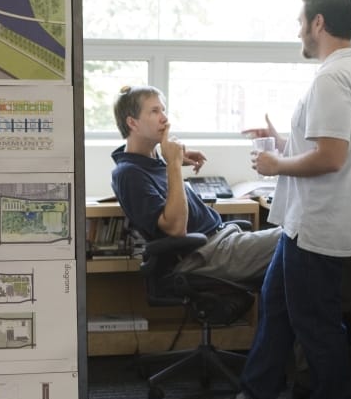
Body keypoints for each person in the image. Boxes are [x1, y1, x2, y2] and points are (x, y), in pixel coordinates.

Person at [208, 0, 351, 399]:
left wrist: (275, 165)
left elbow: (331, 157)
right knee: (276, 306)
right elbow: (327, 145)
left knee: (317, 327)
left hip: (317, 225)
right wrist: (283, 141)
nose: (299, 31)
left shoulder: (331, 79)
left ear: (318, 23)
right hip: (309, 223)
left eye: (301, 22)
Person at [110, 85, 280, 287]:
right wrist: (173, 164)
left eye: (163, 110)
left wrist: (174, 161)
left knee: (294, 240)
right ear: (132, 122)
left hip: (222, 239)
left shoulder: (151, 162)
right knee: (295, 237)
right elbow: (176, 229)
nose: (165, 118)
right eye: (154, 111)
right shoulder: (129, 174)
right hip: (206, 254)